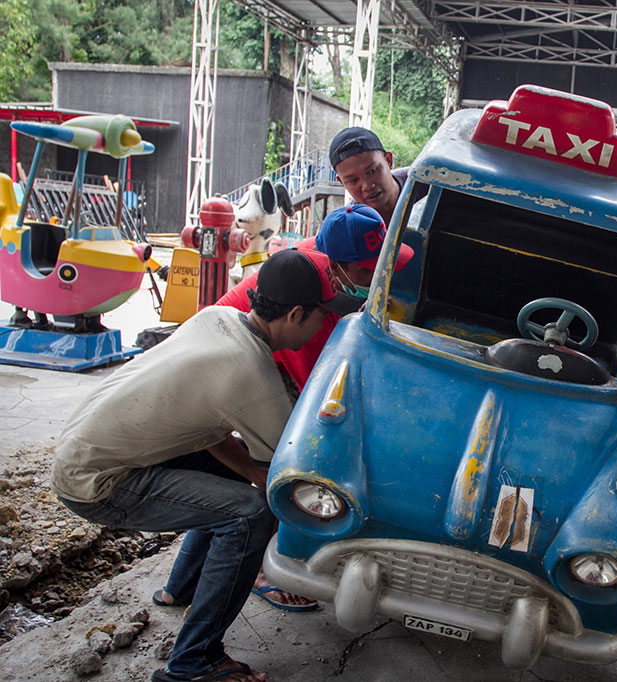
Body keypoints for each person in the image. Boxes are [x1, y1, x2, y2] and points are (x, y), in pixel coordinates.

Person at [51, 249, 351, 682]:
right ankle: (195, 661)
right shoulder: (254, 376)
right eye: (320, 317)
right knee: (248, 516)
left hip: (84, 450)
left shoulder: (218, 320)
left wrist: (251, 472)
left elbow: (208, 431)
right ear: (295, 314)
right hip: (99, 484)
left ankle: (181, 588)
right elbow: (291, 478)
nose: (323, 326)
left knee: (241, 485)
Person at [217, 203, 414, 392]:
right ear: (335, 267)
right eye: (366, 270)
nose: (378, 277)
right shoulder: (305, 304)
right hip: (233, 366)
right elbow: (316, 388)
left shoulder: (326, 246)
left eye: (382, 265)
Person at [330, 127, 427, 226]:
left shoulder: (427, 181)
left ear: (388, 161)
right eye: (353, 180)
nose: (367, 186)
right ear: (342, 183)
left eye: (372, 171)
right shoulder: (351, 227)